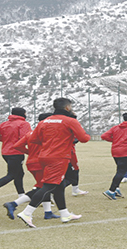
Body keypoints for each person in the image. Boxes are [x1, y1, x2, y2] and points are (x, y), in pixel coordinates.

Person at [16, 98, 90, 228]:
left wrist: (49, 144)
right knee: (48, 186)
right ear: (67, 108)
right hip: (59, 157)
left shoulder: (45, 121)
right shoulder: (70, 121)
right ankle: (27, 213)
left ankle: (64, 213)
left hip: (44, 156)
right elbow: (84, 138)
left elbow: (33, 139)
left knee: (59, 185)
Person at [4, 113, 60, 220]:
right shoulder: (45, 134)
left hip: (31, 162)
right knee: (43, 187)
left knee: (43, 186)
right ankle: (14, 204)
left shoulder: (31, 133)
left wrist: (29, 152)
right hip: (41, 163)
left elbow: (17, 146)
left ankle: (48, 212)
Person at [0, 108, 32, 203]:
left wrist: (7, 140)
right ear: (22, 114)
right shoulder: (23, 124)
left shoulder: (5, 123)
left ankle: (21, 195)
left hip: (5, 152)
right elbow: (25, 138)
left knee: (19, 173)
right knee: (12, 174)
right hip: (16, 152)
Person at [101, 112, 127, 200]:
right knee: (121, 172)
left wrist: (114, 140)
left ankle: (116, 189)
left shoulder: (116, 127)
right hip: (126, 151)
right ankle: (111, 191)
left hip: (115, 151)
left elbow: (104, 136)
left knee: (119, 170)